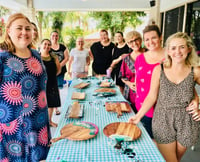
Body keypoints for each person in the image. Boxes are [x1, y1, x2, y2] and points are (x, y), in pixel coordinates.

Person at [129, 32, 200, 162]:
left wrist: (198, 103)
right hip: (163, 120)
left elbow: (194, 92)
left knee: (174, 159)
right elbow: (151, 96)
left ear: (189, 49)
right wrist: (138, 116)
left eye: (182, 47)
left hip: (188, 122)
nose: (177, 51)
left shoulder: (195, 71)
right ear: (168, 51)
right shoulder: (159, 69)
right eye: (173, 48)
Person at [0, 13, 50, 161]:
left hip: (39, 120)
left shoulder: (36, 54)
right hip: (14, 126)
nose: (24, 32)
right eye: (19, 28)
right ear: (9, 31)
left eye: (28, 28)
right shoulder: (3, 58)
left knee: (40, 157)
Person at [118, 31, 145, 112]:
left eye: (136, 39)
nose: (134, 43)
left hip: (146, 95)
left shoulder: (149, 55)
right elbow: (122, 76)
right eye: (131, 42)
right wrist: (129, 84)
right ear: (128, 44)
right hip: (130, 94)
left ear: (141, 40)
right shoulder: (126, 59)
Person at [40, 39, 61, 127]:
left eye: (49, 44)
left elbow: (59, 70)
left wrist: (51, 77)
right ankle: (42, 122)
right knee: (41, 103)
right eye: (45, 44)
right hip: (41, 83)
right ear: (41, 45)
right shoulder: (37, 57)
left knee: (51, 103)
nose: (47, 46)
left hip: (52, 82)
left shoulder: (54, 57)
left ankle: (49, 121)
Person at [50, 31, 69, 115]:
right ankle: (55, 109)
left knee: (57, 89)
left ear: (58, 37)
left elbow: (67, 58)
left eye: (56, 36)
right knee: (52, 89)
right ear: (51, 37)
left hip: (60, 71)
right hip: (50, 71)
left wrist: (59, 65)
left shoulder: (62, 46)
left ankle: (56, 106)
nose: (55, 37)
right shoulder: (48, 46)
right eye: (53, 35)